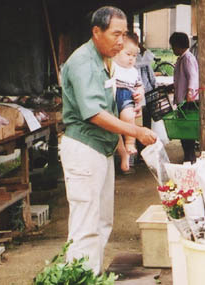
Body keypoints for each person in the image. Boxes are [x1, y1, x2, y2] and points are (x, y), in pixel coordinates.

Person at [59, 6, 157, 274]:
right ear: (96, 31)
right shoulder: (82, 62)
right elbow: (94, 114)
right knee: (85, 225)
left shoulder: (107, 61)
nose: (120, 40)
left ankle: (92, 275)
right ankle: (79, 277)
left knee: (102, 221)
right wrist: (135, 132)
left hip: (101, 150)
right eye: (115, 34)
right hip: (84, 148)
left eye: (124, 34)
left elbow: (111, 105)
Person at [113, 31, 145, 170]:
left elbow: (140, 86)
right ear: (117, 52)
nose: (131, 59)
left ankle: (130, 143)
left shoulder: (133, 71)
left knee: (128, 117)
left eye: (134, 56)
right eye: (128, 54)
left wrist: (140, 93)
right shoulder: (112, 65)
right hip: (112, 98)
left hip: (126, 98)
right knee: (113, 129)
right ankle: (123, 155)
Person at [169, 32, 199, 163]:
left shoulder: (187, 58)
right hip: (182, 99)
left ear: (178, 46)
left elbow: (193, 76)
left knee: (187, 132)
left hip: (188, 101)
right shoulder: (182, 58)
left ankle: (190, 157)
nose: (172, 49)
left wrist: (190, 93)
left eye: (173, 46)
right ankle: (188, 156)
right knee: (183, 131)